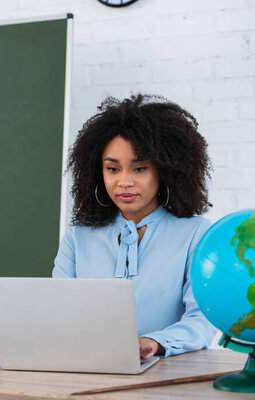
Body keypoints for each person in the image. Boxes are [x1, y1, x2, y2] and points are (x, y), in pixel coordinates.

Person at [53, 94, 217, 359]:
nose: (124, 182)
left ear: (165, 170)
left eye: (139, 169)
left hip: (165, 373)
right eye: (113, 169)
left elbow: (203, 320)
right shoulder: (78, 238)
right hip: (88, 367)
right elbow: (57, 312)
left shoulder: (196, 234)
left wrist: (155, 342)